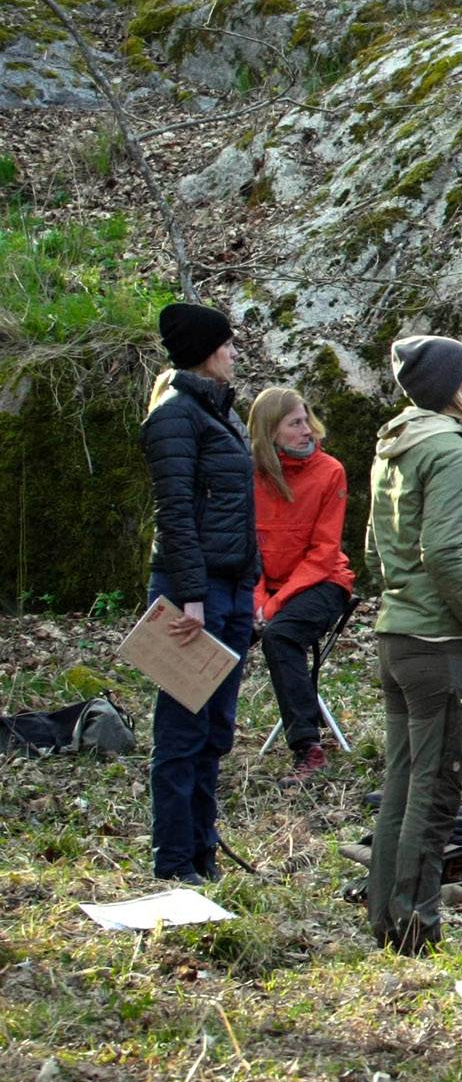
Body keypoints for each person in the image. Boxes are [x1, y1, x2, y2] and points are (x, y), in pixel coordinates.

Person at [364, 335, 462, 952]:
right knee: (436, 787)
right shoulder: (450, 452)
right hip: (436, 642)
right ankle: (417, 928)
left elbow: (373, 549)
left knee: (402, 783)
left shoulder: (392, 444)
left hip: (395, 635)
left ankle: (385, 918)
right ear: (450, 384)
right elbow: (445, 552)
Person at [140, 302, 259, 884]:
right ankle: (173, 863)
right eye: (228, 343)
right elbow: (176, 516)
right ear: (207, 350)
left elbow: (239, 514)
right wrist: (190, 597)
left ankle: (203, 855)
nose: (235, 352)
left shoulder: (221, 415)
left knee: (215, 731)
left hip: (231, 593)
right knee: (183, 732)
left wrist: (250, 585)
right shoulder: (175, 416)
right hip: (194, 594)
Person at [248, 386, 353, 780]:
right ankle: (200, 733)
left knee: (280, 636)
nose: (307, 429)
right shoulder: (252, 475)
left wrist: (272, 607)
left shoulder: (330, 471)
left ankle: (307, 746)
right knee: (217, 628)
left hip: (323, 581)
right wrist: (257, 598)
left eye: (307, 419)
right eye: (295, 423)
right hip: (265, 585)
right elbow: (248, 548)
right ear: (270, 432)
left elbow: (324, 552)